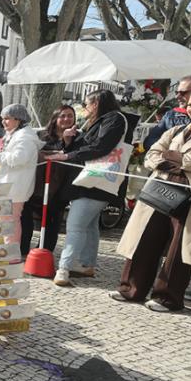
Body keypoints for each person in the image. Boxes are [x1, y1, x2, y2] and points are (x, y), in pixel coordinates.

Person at [111, 85, 191, 312]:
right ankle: (131, 289)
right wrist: (179, 160)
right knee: (145, 238)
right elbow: (151, 155)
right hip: (159, 189)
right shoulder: (178, 130)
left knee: (178, 249)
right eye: (190, 104)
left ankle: (167, 297)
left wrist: (176, 159)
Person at [46, 90, 128, 287]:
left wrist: (67, 156)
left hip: (97, 179)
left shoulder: (114, 119)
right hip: (92, 179)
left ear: (97, 103)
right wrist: (68, 140)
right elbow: (87, 145)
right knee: (89, 225)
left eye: (87, 104)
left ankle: (64, 268)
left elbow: (101, 146)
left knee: (75, 224)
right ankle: (86, 264)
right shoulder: (102, 120)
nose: (85, 109)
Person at [0, 104, 40, 257]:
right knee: (6, 222)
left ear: (18, 120)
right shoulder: (16, 135)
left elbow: (19, 158)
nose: (3, 122)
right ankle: (6, 254)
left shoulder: (25, 137)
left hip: (14, 187)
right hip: (9, 185)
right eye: (3, 119)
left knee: (10, 223)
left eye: (7, 119)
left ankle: (10, 256)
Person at [20, 105, 74, 255]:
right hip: (37, 181)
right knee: (26, 214)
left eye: (70, 116)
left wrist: (68, 140)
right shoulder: (42, 135)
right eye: (63, 116)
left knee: (53, 219)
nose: (66, 119)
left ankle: (43, 251)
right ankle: (23, 247)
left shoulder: (77, 137)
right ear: (55, 118)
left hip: (60, 185)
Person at [143, 73, 191, 152]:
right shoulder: (171, 115)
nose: (177, 97)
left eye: (183, 93)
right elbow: (150, 141)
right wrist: (172, 149)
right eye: (177, 93)